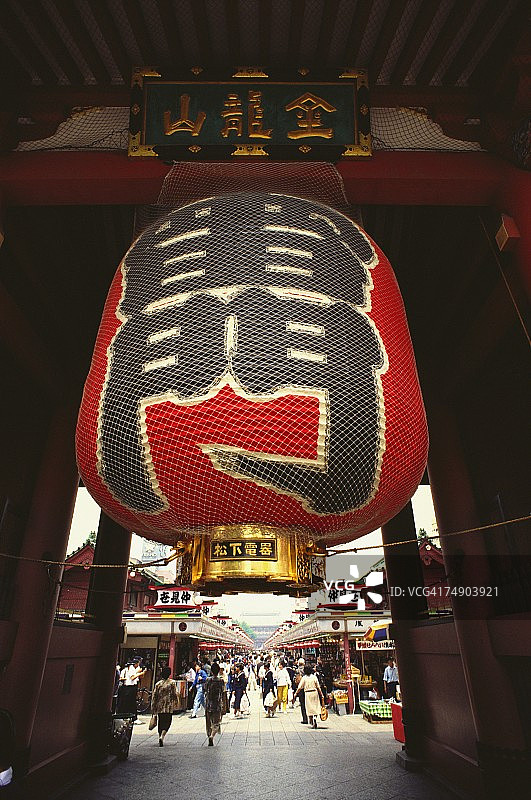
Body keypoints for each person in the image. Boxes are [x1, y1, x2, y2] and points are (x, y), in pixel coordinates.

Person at [151, 666, 179, 747]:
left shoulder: (158, 684)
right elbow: (175, 693)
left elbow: (154, 696)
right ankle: (162, 736)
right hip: (168, 706)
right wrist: (176, 702)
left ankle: (160, 735)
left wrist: (153, 707)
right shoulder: (172, 683)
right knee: (167, 722)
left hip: (160, 706)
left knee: (161, 722)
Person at [293, 665, 324, 729]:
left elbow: (299, 687)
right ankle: (315, 717)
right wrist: (321, 694)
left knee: (309, 708)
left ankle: (311, 720)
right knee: (315, 706)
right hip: (315, 693)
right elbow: (318, 686)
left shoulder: (304, 678)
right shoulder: (314, 677)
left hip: (308, 693)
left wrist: (295, 694)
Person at [204, 662, 226, 746]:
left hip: (208, 703)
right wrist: (224, 705)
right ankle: (212, 735)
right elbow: (223, 692)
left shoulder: (208, 680)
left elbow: (204, 689)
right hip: (217, 704)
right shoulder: (221, 681)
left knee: (208, 722)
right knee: (216, 722)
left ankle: (209, 734)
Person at [295, 658, 307, 724]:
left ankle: (305, 718)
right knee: (308, 703)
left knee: (302, 704)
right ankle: (310, 717)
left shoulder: (297, 670)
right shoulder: (307, 669)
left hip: (301, 688)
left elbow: (296, 679)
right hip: (307, 688)